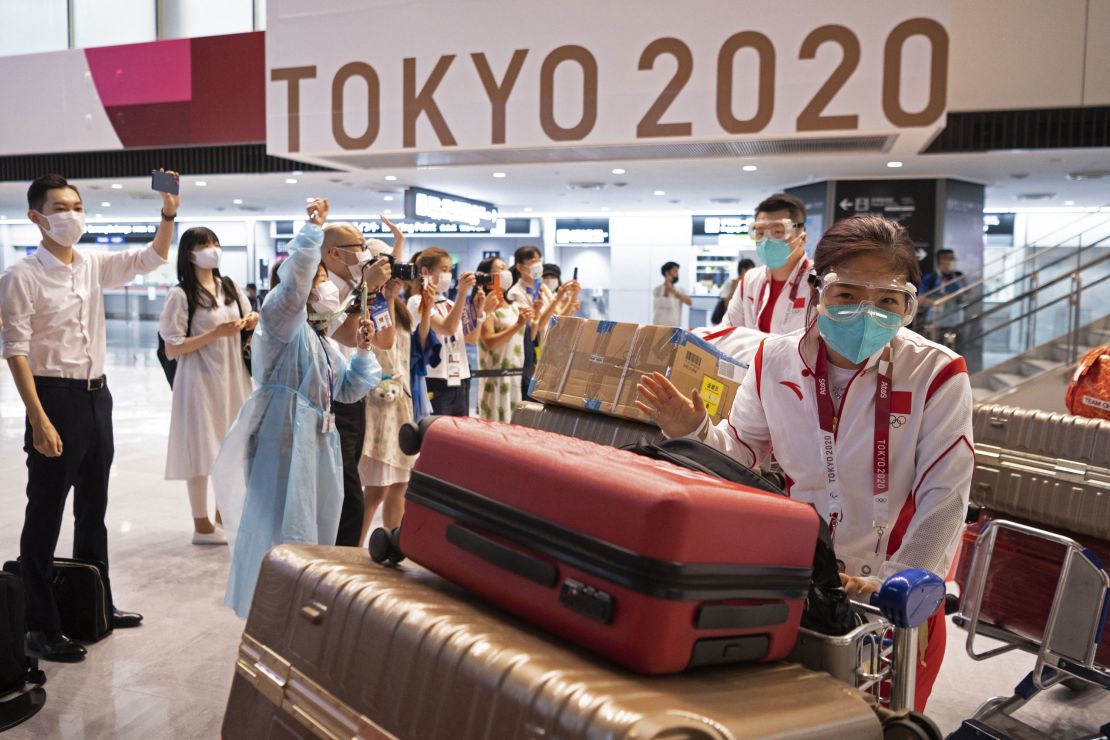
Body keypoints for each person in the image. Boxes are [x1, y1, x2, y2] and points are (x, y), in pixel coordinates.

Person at [636, 215, 972, 711]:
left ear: (908, 307)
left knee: (882, 721)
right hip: (801, 582)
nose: (867, 312)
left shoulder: (936, 373)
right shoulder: (774, 360)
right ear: (819, 291)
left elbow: (945, 495)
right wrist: (692, 431)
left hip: (893, 597)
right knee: (793, 716)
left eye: (888, 301)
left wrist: (893, 584)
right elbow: (744, 455)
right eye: (848, 295)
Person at [0, 172, 177, 661]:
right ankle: (40, 624)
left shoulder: (92, 264)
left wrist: (167, 212)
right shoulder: (21, 276)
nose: (72, 215)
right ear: (36, 218)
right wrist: (38, 419)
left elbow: (152, 257)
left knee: (93, 509)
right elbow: (15, 351)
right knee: (45, 512)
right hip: (53, 398)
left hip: (99, 397)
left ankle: (94, 602)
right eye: (60, 207)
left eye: (77, 205)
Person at [211, 199, 382, 619]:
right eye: (316, 278)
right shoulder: (279, 321)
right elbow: (293, 291)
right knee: (280, 527)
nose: (322, 287)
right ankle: (274, 608)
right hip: (281, 440)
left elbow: (347, 390)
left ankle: (303, 602)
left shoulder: (317, 338)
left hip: (318, 443)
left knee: (313, 524)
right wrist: (311, 234)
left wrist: (361, 351)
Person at [159, 226, 258, 545]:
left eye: (215, 243)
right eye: (205, 244)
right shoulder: (181, 294)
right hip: (198, 380)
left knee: (232, 448)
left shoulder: (229, 286)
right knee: (201, 450)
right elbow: (172, 347)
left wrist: (251, 321)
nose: (213, 249)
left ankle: (222, 517)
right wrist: (215, 334)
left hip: (232, 377)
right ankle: (201, 525)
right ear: (189, 253)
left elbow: (248, 318)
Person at [316, 218, 393, 547]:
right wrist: (368, 288)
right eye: (359, 247)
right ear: (334, 252)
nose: (365, 253)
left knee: (349, 486)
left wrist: (376, 293)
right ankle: (341, 566)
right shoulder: (323, 289)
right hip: (329, 401)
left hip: (355, 394)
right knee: (349, 498)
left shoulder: (355, 285)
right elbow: (345, 333)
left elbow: (385, 339)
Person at [358, 277, 438, 541]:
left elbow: (419, 346)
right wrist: (387, 298)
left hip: (402, 398)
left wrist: (427, 310)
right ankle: (353, 548)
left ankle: (394, 542)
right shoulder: (367, 304)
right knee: (376, 489)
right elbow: (386, 343)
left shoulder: (401, 308)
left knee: (401, 483)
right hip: (378, 400)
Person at [722, 194, 811, 335]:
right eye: (760, 232)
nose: (767, 240)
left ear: (803, 236)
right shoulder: (750, 280)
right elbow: (728, 332)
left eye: (778, 232)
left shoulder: (820, 283)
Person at [406, 248, 479, 416]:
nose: (449, 275)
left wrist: (479, 314)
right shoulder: (416, 301)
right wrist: (462, 293)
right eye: (444, 270)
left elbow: (471, 338)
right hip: (436, 379)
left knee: (460, 435)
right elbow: (447, 328)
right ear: (425, 272)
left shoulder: (451, 303)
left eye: (450, 270)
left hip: (460, 377)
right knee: (438, 435)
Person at [507, 246, 578, 399]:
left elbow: (558, 319)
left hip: (549, 352)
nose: (538, 265)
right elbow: (533, 328)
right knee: (532, 401)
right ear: (520, 267)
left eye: (539, 261)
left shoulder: (543, 288)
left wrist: (571, 297)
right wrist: (556, 300)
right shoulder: (515, 293)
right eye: (533, 261)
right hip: (532, 354)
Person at [476, 256, 534, 421]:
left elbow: (530, 335)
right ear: (488, 276)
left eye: (505, 268)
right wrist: (517, 325)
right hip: (495, 376)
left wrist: (531, 317)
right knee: (494, 428)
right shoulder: (485, 306)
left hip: (515, 374)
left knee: (514, 427)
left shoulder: (514, 305)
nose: (506, 272)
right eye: (500, 268)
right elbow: (489, 342)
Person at [918, 249, 967, 347]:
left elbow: (967, 295)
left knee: (956, 350)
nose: (952, 261)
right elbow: (919, 299)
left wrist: (959, 296)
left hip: (956, 321)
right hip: (935, 321)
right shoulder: (931, 277)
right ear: (940, 261)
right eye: (950, 259)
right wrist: (934, 302)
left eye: (953, 258)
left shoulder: (958, 276)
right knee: (936, 350)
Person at [711, 258, 756, 325]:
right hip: (729, 320)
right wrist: (734, 287)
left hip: (746, 321)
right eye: (751, 270)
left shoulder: (752, 284)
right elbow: (726, 303)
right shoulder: (731, 283)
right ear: (743, 270)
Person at [652, 261, 691, 326]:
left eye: (678, 271)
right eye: (675, 271)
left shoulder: (679, 290)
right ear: (667, 273)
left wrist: (673, 291)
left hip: (675, 326)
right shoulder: (657, 290)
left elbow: (689, 302)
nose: (677, 274)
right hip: (660, 326)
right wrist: (668, 286)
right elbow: (664, 302)